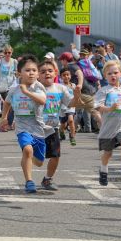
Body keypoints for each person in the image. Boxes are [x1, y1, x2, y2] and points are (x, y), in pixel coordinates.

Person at [0, 55, 47, 193]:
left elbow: (42, 101)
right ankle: (29, 181)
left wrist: (27, 92)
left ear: (38, 73)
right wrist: (4, 117)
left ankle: (26, 159)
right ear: (19, 73)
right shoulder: (14, 90)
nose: (31, 73)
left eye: (34, 70)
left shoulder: (39, 87)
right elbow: (7, 102)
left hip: (38, 128)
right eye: (27, 70)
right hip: (22, 127)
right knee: (27, 149)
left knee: (39, 162)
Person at [94, 60, 121, 186]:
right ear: (105, 76)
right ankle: (103, 171)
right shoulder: (104, 91)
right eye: (109, 73)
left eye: (115, 72)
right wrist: (110, 109)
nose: (113, 75)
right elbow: (98, 107)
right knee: (108, 153)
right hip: (108, 127)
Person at [38, 60, 79, 190]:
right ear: (38, 75)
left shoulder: (60, 88)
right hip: (35, 128)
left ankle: (48, 179)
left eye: (50, 71)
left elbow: (71, 104)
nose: (47, 74)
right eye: (43, 72)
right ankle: (29, 179)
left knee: (55, 155)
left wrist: (77, 96)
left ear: (55, 73)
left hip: (52, 128)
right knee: (35, 158)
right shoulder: (34, 88)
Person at [59, 67, 77, 145]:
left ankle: (72, 137)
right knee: (63, 124)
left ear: (70, 75)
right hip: (62, 107)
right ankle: (61, 132)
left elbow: (77, 95)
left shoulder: (73, 85)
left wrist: (79, 101)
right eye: (64, 75)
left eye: (68, 75)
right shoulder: (59, 86)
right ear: (61, 77)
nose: (66, 76)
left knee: (71, 120)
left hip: (71, 106)